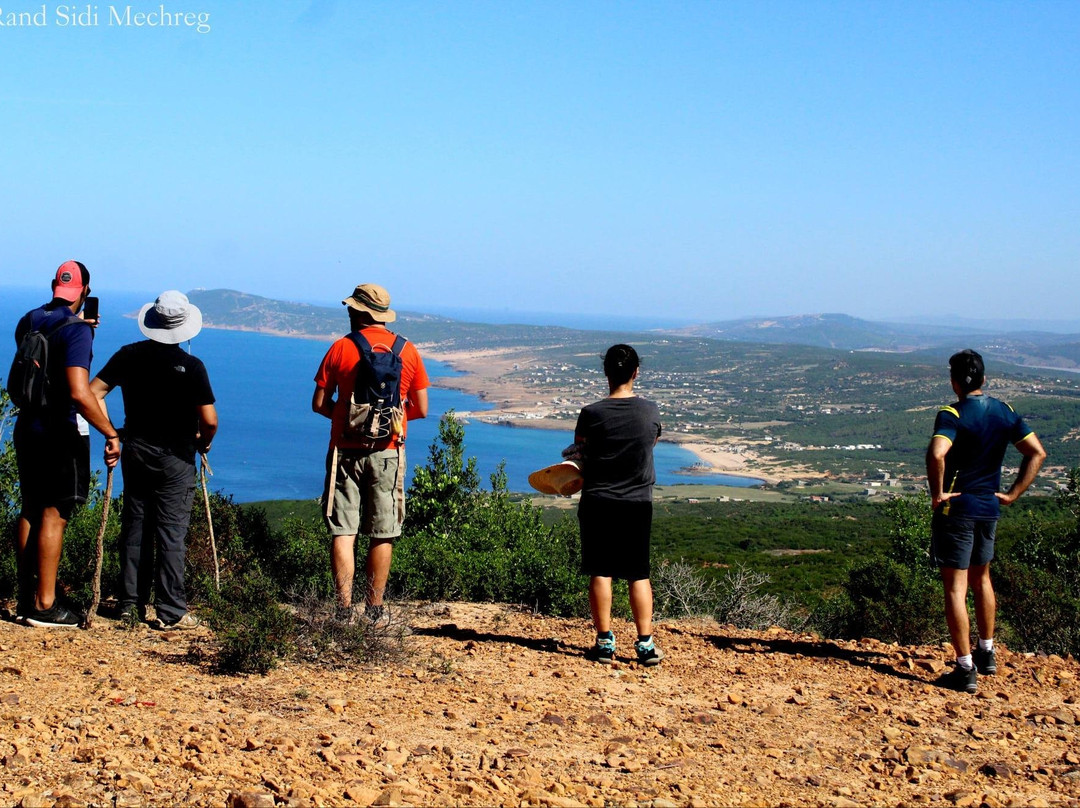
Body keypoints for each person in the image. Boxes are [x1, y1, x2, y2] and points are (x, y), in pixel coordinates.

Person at [90, 291, 217, 630]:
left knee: (136, 526)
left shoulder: (128, 355)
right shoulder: (191, 367)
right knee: (171, 532)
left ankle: (130, 605)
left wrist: (111, 435)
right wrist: (203, 443)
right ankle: (170, 611)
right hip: (176, 458)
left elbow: (93, 392)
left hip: (136, 451)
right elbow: (210, 420)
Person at [926, 349, 1046, 693]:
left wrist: (938, 493)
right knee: (983, 578)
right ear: (984, 379)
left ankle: (964, 670)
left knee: (955, 587)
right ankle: (987, 653)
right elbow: (1037, 452)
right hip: (989, 508)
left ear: (953, 383)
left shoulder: (952, 414)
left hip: (958, 509)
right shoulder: (1004, 411)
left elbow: (937, 453)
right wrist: (1013, 494)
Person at [312, 283, 429, 625]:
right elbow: (420, 408)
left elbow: (319, 403)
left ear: (358, 313)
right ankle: (375, 610)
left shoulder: (340, 348)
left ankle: (343, 610)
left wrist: (347, 417)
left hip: (345, 452)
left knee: (343, 531)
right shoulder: (408, 351)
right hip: (388, 452)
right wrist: (389, 420)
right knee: (382, 531)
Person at [12, 261, 120, 627]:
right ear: (85, 293)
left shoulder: (30, 319)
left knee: (30, 507)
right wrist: (110, 432)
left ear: (54, 286)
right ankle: (45, 604)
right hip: (59, 431)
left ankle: (26, 596)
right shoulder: (77, 332)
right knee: (55, 514)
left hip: (27, 425)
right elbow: (78, 391)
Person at [573, 344, 664, 666]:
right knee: (638, 574)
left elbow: (580, 453)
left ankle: (604, 642)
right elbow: (648, 444)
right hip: (638, 502)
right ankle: (645, 644)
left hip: (598, 500)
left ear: (606, 373)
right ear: (636, 372)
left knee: (601, 571)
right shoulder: (650, 411)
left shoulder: (592, 413)